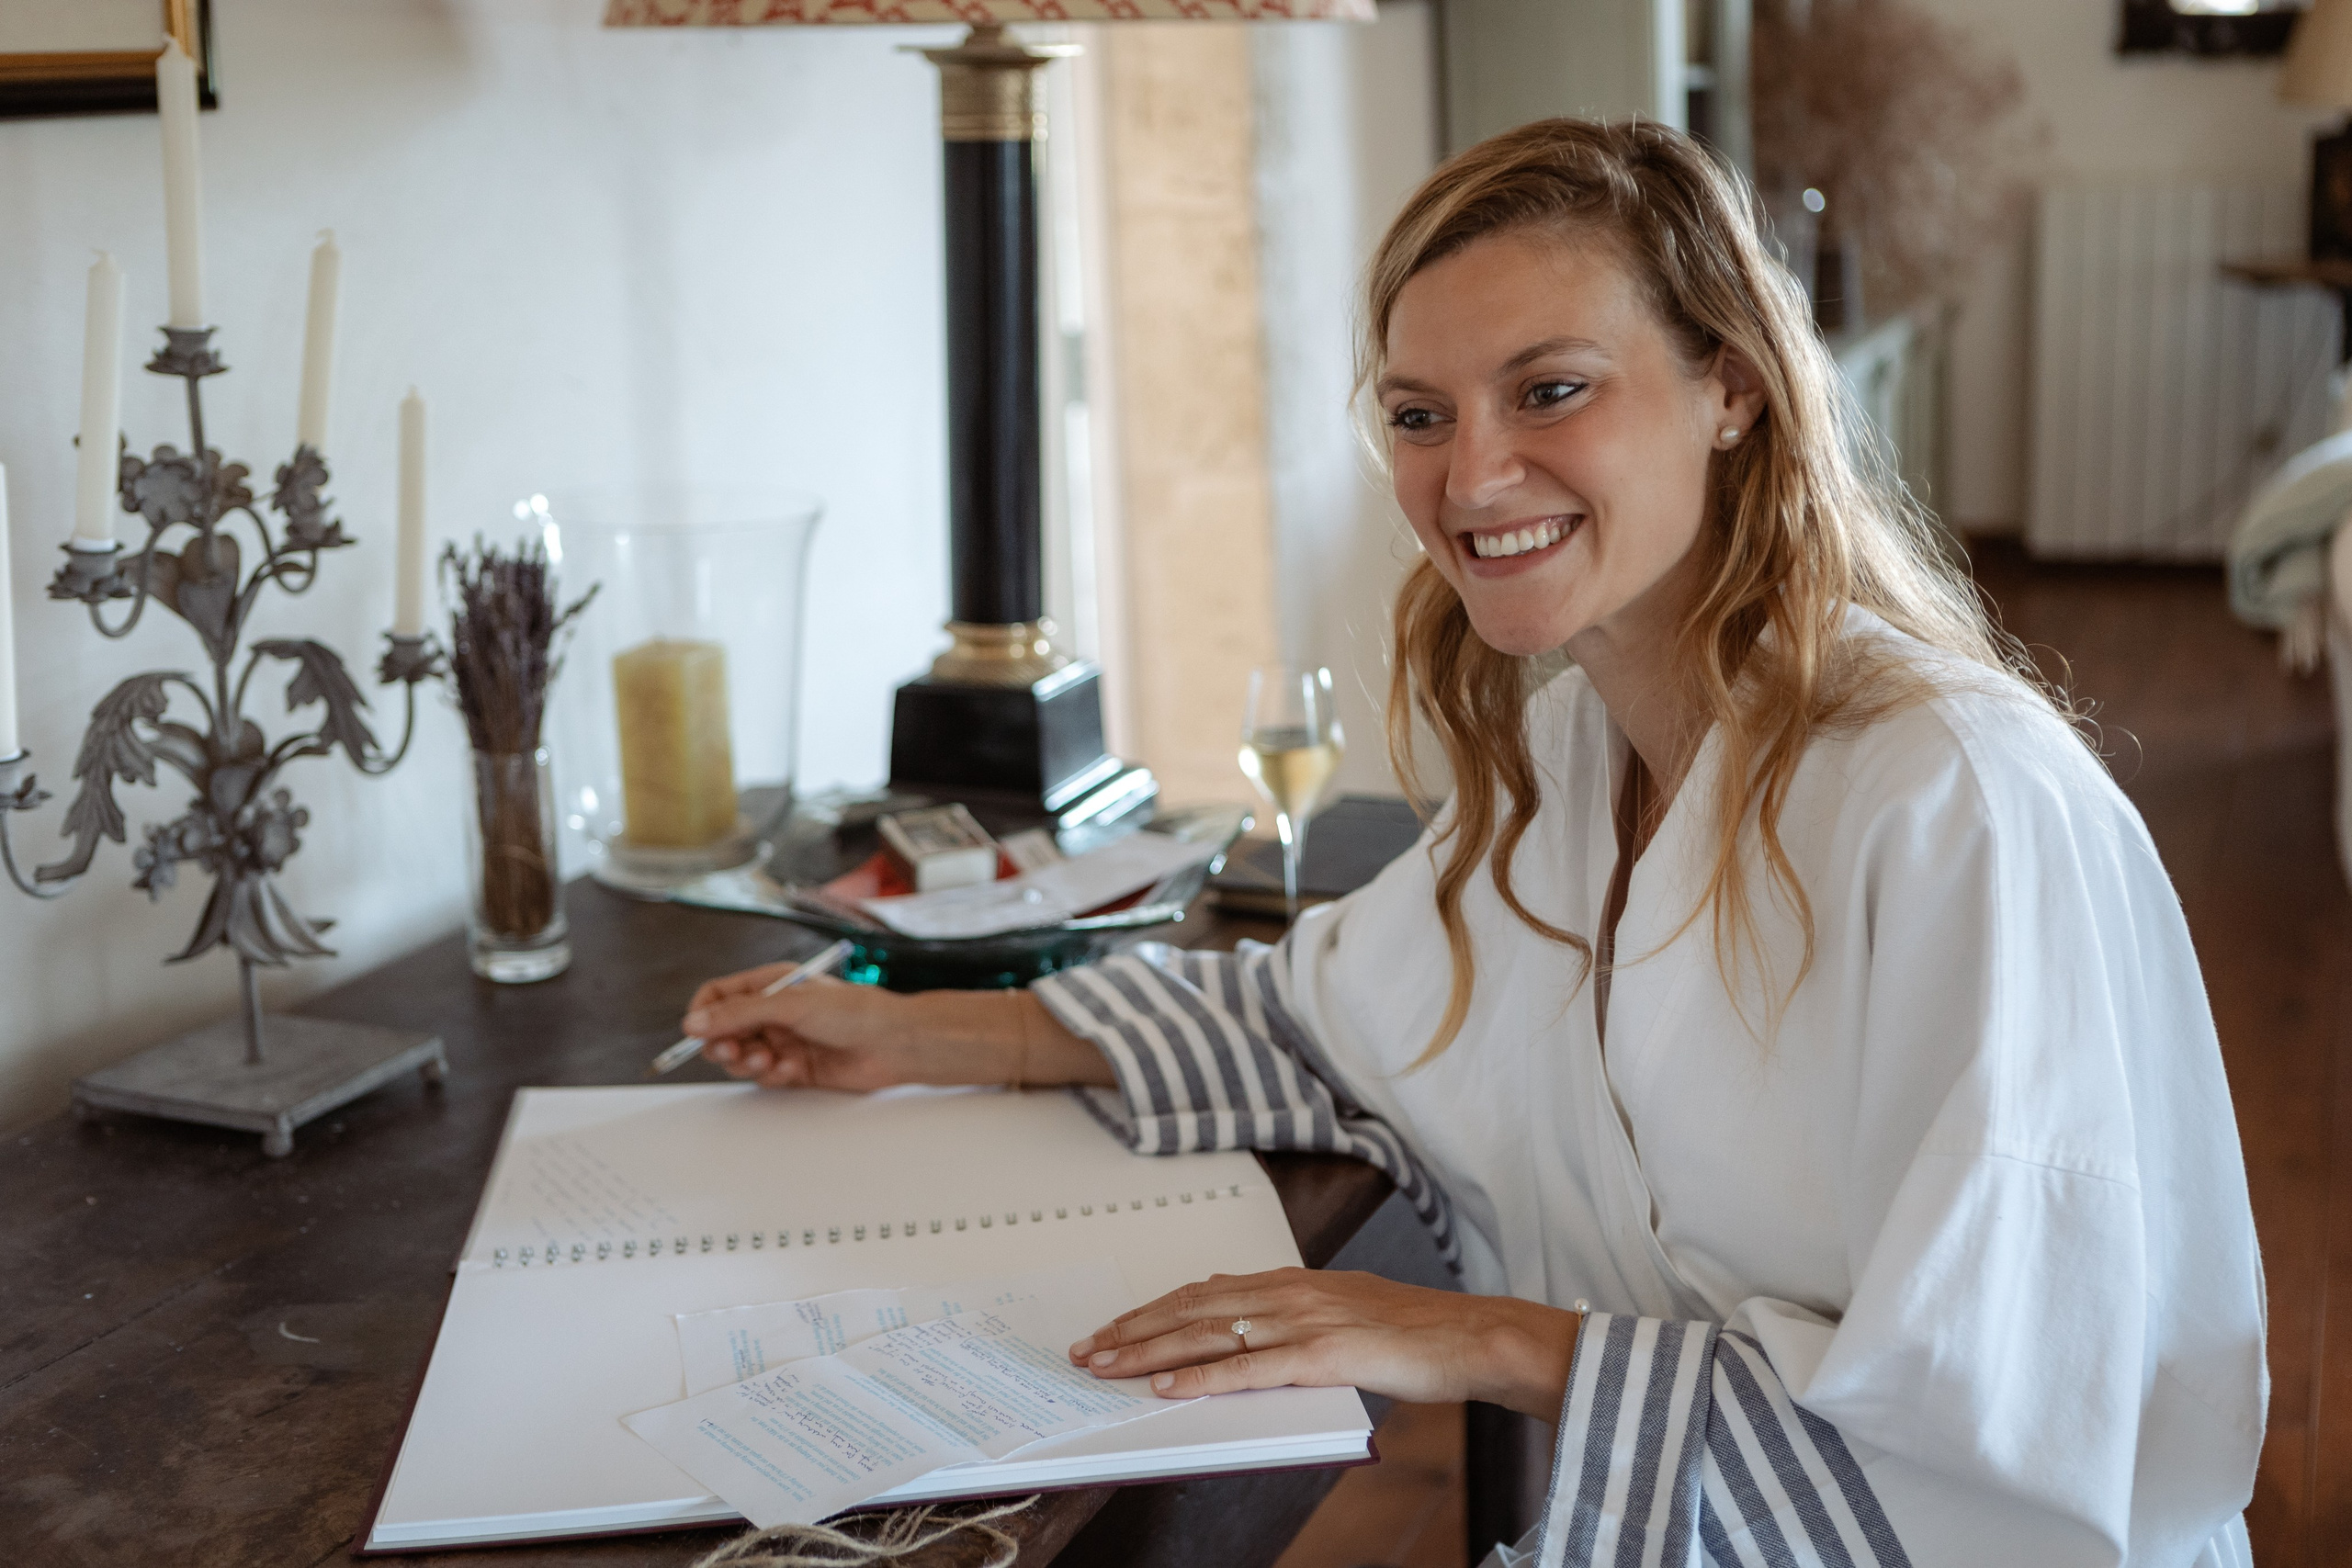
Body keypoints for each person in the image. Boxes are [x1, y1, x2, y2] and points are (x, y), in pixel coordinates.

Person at [681, 120, 2266, 1568]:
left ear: (1734, 388)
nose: (1472, 474)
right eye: (1420, 415)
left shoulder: (1951, 804)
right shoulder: (1573, 758)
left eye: (1551, 389)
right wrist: (903, 1034)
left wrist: (1476, 1340)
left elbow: (2011, 1438)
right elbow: (1325, 1013)